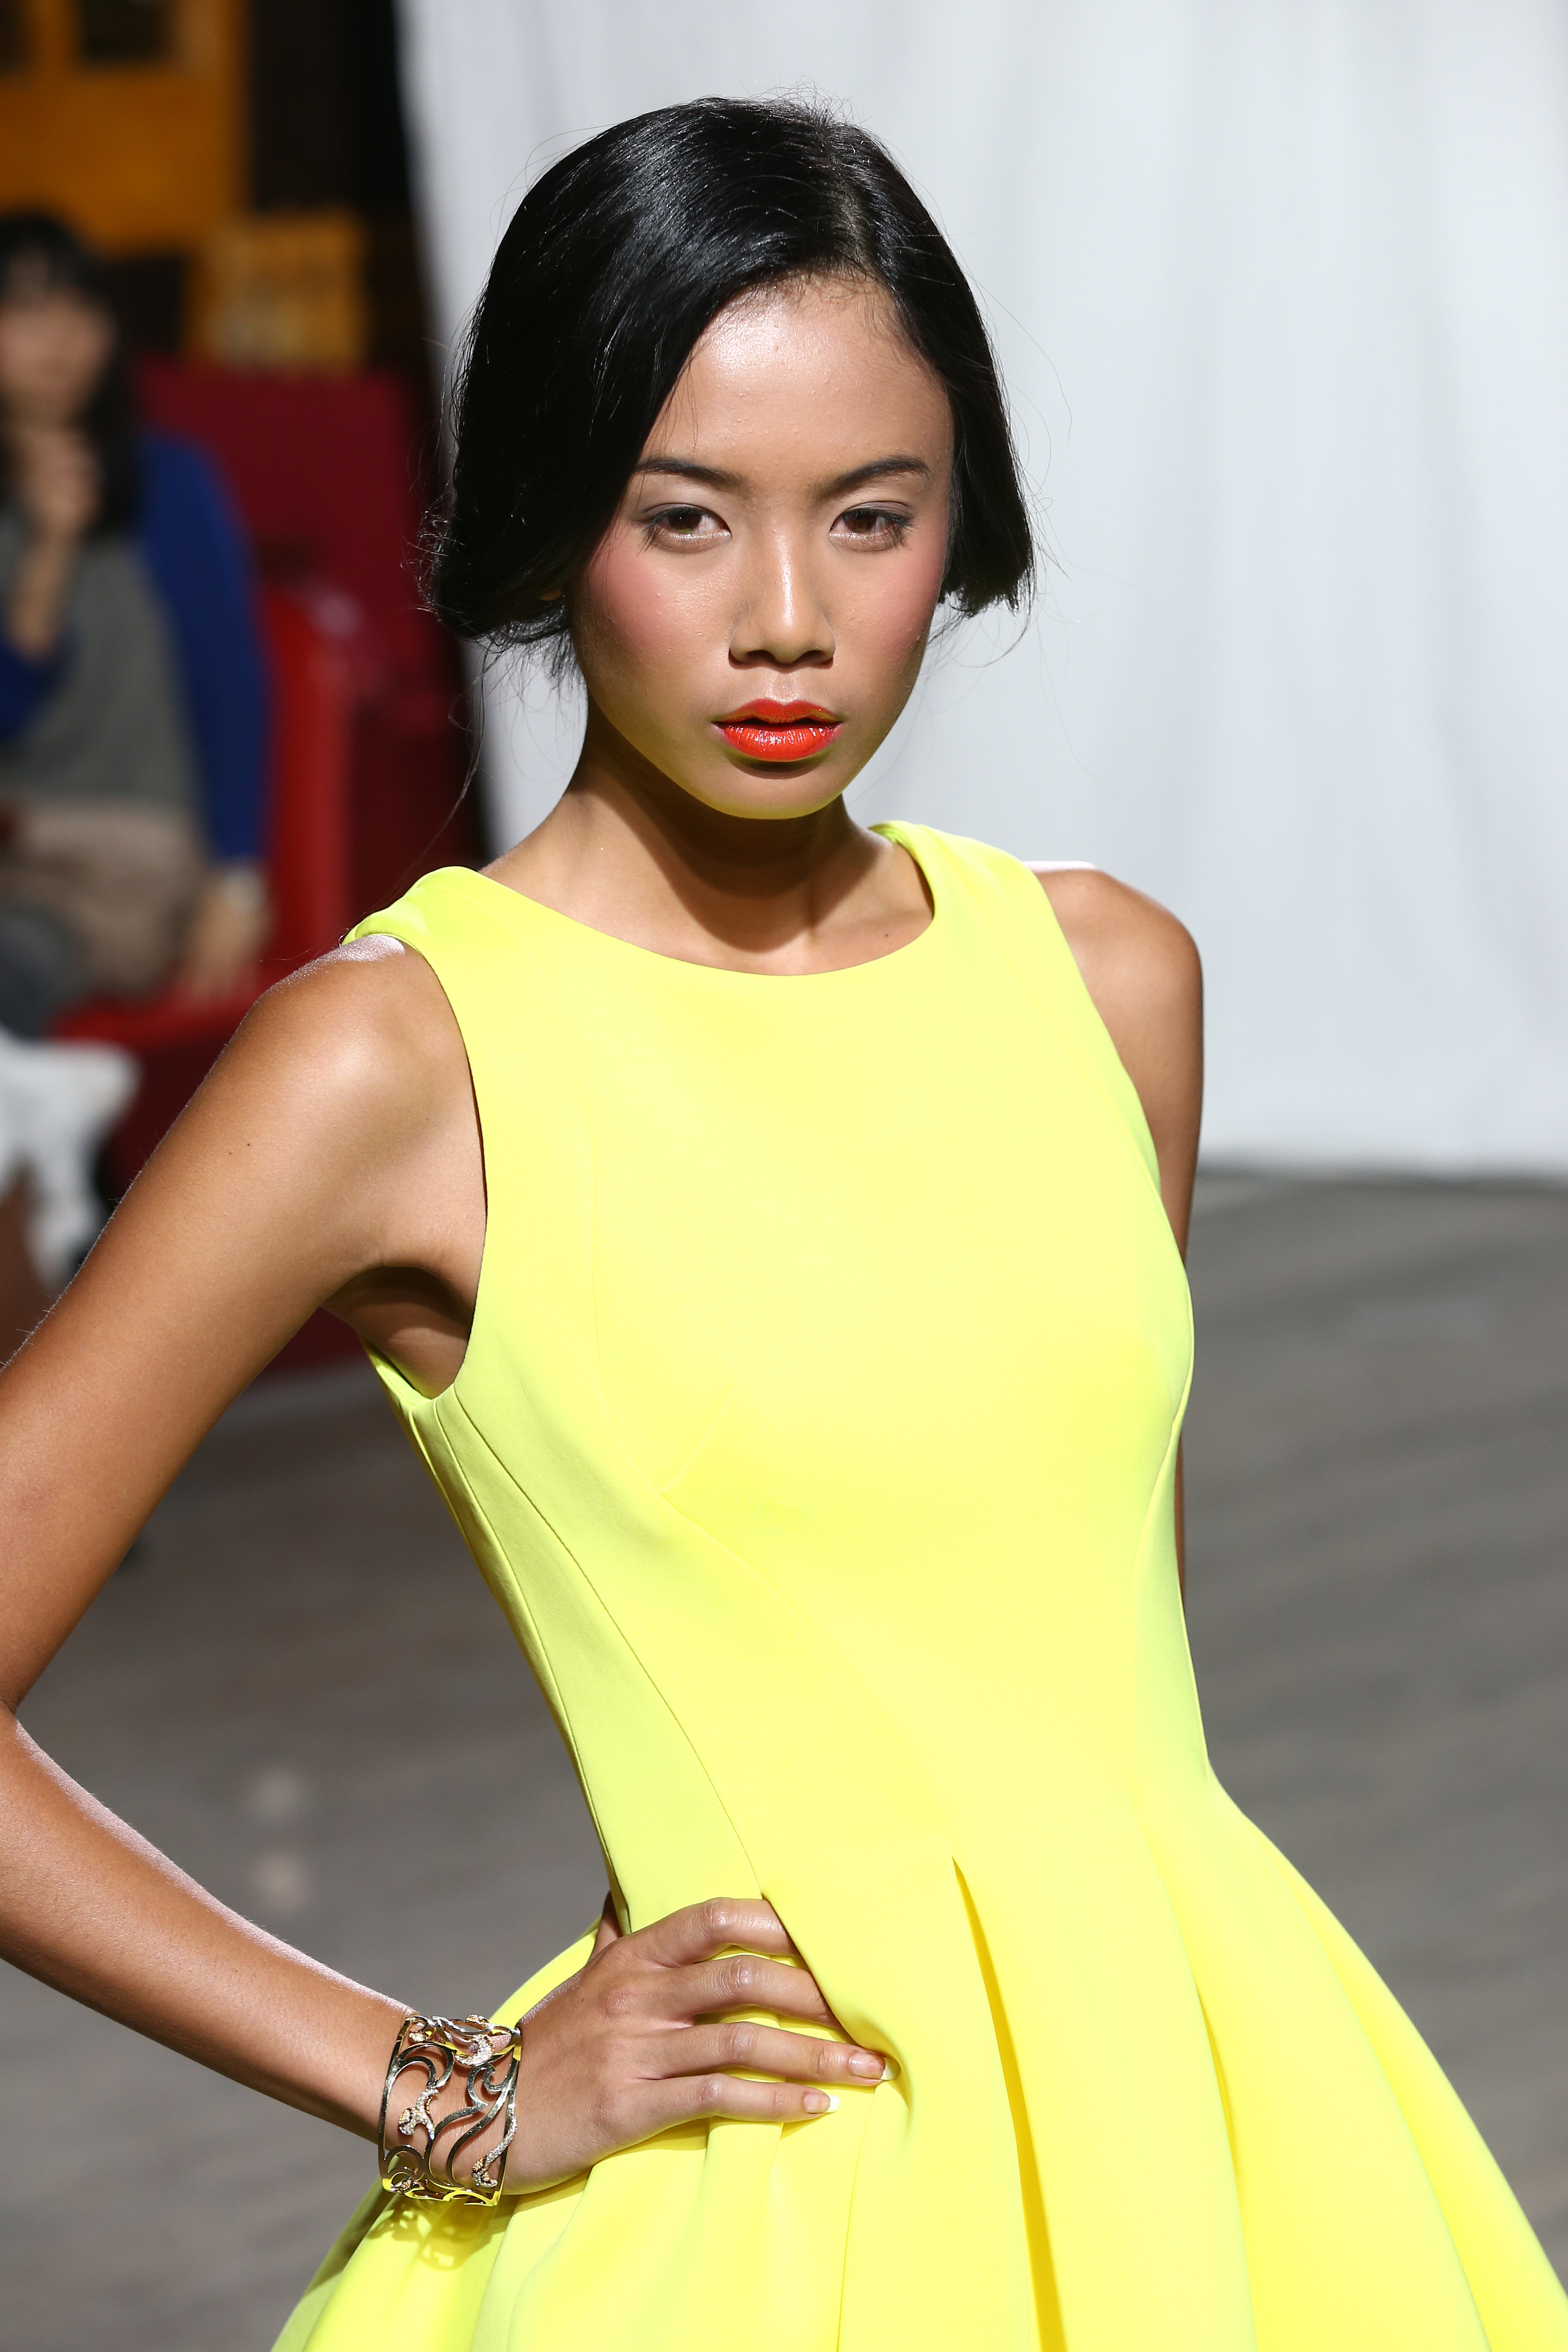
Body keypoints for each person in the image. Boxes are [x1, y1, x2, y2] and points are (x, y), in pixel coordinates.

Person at [0, 98, 1561, 2352]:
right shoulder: (401, 1064)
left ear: (958, 522)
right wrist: (436, 2086)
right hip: (784, 2214)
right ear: (556, 515)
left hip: (1210, 2124)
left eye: (870, 517)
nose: (787, 623)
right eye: (685, 516)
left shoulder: (1105, 982)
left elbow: (1088, 1640)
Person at [0, 211, 271, 1028]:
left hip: (124, 852)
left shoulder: (169, 485)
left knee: (20, 955)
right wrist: (48, 554)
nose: (60, 337)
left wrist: (237, 874)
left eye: (82, 307)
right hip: (13, 841)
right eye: (25, 309)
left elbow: (229, 682)